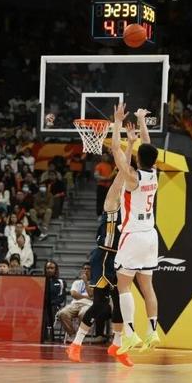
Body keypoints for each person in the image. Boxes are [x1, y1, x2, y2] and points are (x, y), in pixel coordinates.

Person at [66, 123, 137, 366]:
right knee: (99, 304)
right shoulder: (112, 202)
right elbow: (122, 170)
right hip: (104, 256)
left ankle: (117, 346)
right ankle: (76, 345)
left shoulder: (131, 207)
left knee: (120, 303)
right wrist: (128, 144)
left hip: (121, 257)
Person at [110, 104, 160, 354]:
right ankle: (153, 331)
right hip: (151, 235)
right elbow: (148, 146)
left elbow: (115, 151)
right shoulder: (154, 173)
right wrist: (141, 120)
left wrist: (118, 122)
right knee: (147, 287)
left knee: (124, 286)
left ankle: (130, 334)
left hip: (133, 234)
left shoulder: (132, 178)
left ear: (138, 158)